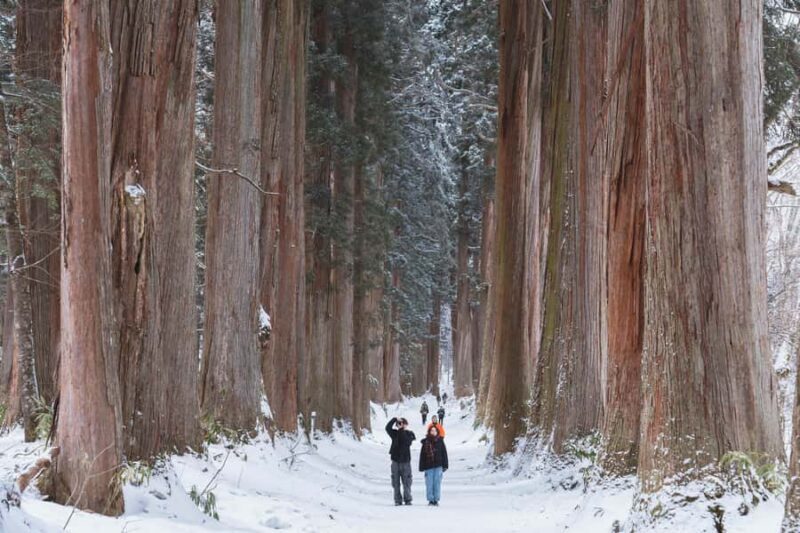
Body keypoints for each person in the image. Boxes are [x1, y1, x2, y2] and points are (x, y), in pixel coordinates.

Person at [386, 417, 415, 506]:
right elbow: (387, 428)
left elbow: (406, 442)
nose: (401, 425)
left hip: (406, 462)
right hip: (395, 461)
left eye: (403, 423)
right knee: (395, 482)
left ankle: (408, 499)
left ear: (406, 425)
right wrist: (394, 419)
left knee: (407, 481)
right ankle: (397, 500)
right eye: (399, 424)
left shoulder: (409, 434)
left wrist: (402, 429)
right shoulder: (394, 434)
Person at [419, 424, 448, 506]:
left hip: (438, 465)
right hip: (428, 466)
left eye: (434, 430)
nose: (433, 432)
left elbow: (444, 454)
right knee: (429, 483)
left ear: (437, 432)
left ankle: (436, 499)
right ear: (429, 432)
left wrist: (445, 465)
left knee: (437, 483)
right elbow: (422, 455)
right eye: (431, 430)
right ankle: (431, 499)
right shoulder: (425, 442)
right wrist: (421, 466)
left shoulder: (440, 441)